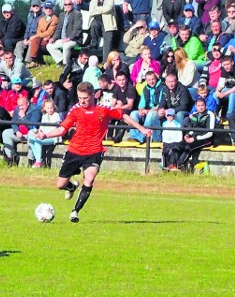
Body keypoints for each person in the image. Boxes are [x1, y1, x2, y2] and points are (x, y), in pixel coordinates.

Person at [36, 82, 152, 223]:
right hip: (75, 150)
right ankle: (72, 186)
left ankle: (75, 212)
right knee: (60, 184)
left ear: (93, 95)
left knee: (89, 179)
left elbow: (124, 116)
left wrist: (142, 129)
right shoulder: (75, 110)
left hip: (94, 151)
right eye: (79, 98)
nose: (82, 101)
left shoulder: (103, 109)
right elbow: (62, 129)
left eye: (85, 98)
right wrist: (45, 135)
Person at [177, 98, 215, 171]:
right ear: (196, 106)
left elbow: (210, 133)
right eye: (198, 105)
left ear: (205, 106)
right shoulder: (195, 115)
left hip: (206, 139)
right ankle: (173, 164)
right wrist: (187, 135)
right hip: (194, 137)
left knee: (189, 146)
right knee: (180, 144)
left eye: (202, 105)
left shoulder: (210, 115)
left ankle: (180, 165)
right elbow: (192, 128)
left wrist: (195, 139)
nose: (200, 107)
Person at [2, 96, 41, 165]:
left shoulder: (35, 110)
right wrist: (16, 131)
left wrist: (23, 117)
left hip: (30, 134)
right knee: (6, 133)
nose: (20, 108)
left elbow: (33, 126)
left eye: (22, 105)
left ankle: (31, 160)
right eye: (19, 106)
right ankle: (12, 158)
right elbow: (13, 122)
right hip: (20, 133)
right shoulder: (17, 109)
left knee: (32, 133)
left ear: (27, 103)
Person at [46, 1, 83, 67]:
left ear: (72, 4)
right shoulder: (62, 15)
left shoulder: (77, 14)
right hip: (63, 39)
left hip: (74, 40)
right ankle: (61, 61)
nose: (67, 6)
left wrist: (68, 38)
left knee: (66, 45)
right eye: (65, 4)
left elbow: (77, 29)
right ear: (64, 6)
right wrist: (53, 38)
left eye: (69, 4)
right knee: (49, 45)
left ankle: (65, 63)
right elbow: (58, 30)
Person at [27, 99, 61, 168]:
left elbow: (53, 129)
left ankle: (39, 161)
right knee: (31, 139)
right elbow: (42, 127)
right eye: (48, 108)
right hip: (44, 136)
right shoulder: (44, 116)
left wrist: (44, 135)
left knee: (37, 141)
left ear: (53, 107)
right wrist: (39, 132)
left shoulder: (56, 115)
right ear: (45, 108)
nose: (50, 110)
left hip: (53, 137)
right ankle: (38, 160)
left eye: (51, 108)